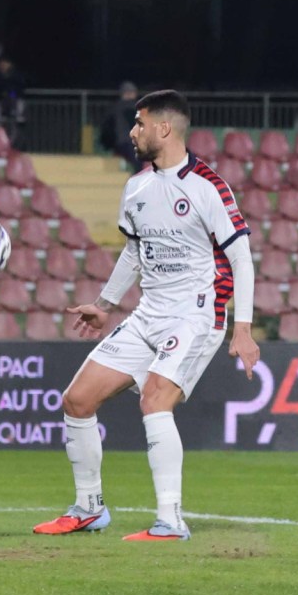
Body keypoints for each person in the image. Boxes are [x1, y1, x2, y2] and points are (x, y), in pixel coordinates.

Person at [33, 90, 260, 542]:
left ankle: (171, 520)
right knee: (76, 401)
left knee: (154, 399)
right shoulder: (136, 187)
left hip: (196, 315)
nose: (132, 132)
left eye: (138, 123)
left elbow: (242, 260)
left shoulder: (207, 186)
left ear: (164, 129)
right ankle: (88, 508)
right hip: (147, 315)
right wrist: (104, 304)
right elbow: (135, 253)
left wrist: (244, 328)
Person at [100, 81, 143, 172]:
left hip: (117, 144)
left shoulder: (113, 107)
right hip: (128, 142)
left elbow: (106, 128)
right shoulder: (132, 107)